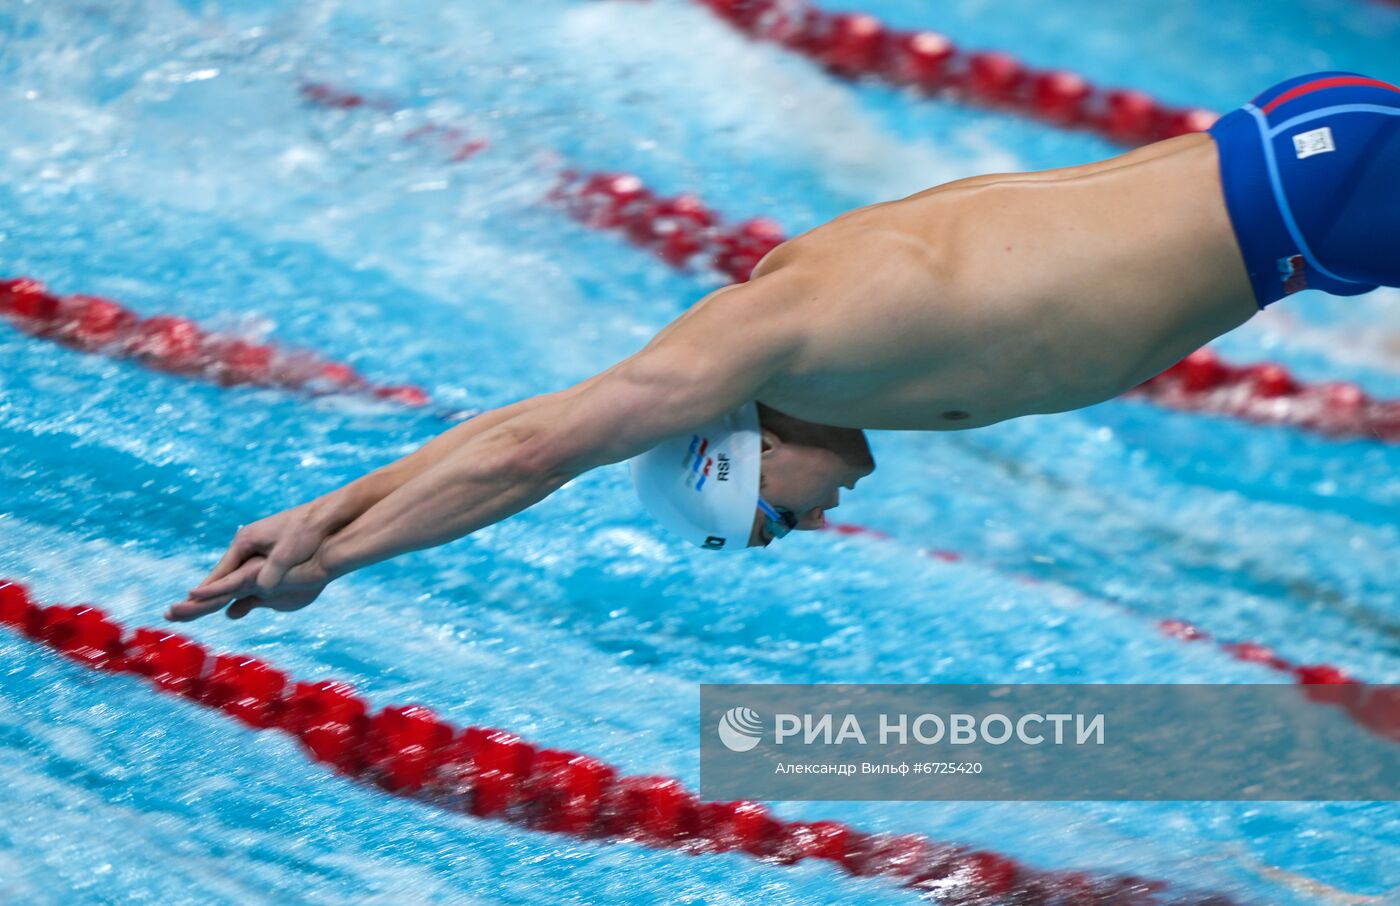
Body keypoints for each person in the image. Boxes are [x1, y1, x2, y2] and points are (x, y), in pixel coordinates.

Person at [168, 71, 1400, 622]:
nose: (807, 530)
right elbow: (533, 422)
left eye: (771, 522)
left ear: (741, 463)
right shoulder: (780, 359)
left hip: (1317, 188)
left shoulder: (784, 337)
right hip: (1305, 192)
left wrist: (338, 566)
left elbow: (536, 453)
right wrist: (322, 513)